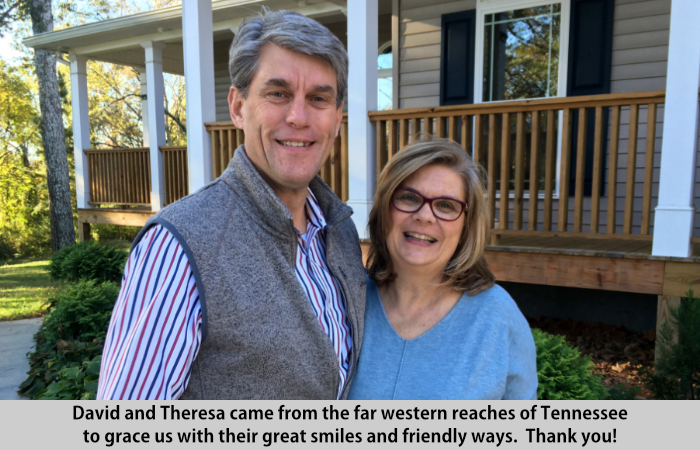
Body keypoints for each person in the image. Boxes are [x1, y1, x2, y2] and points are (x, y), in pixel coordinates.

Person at [97, 9, 366, 400]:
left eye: (319, 98)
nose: (299, 116)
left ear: (338, 118)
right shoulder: (180, 246)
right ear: (238, 107)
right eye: (278, 94)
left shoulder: (339, 231)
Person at [347, 139, 537, 400]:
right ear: (384, 209)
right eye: (409, 197)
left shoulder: (497, 318)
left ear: (466, 226)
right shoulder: (347, 302)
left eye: (446, 205)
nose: (425, 216)